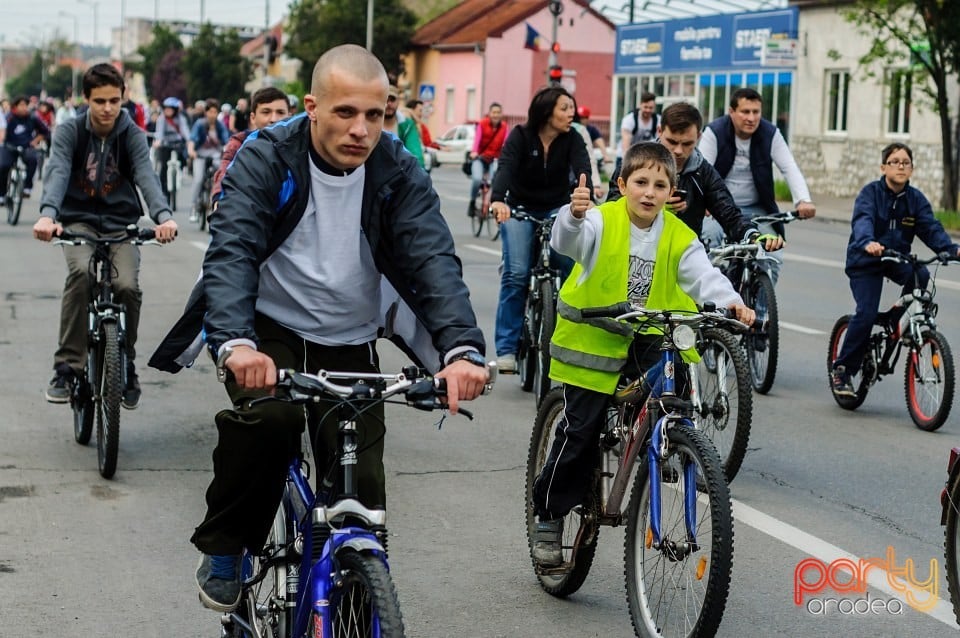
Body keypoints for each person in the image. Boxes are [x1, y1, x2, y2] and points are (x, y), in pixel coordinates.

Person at [147, 43, 489, 613]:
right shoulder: (267, 156)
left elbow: (432, 260)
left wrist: (460, 350)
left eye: (375, 115)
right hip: (268, 327)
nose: (361, 129)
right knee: (269, 421)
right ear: (311, 106)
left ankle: (359, 601)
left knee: (363, 480)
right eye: (345, 112)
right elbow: (232, 252)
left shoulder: (398, 170)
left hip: (350, 334)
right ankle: (228, 545)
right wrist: (235, 344)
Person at [529, 143, 754, 566]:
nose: (649, 193)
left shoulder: (678, 234)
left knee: (676, 382)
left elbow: (703, 275)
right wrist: (573, 215)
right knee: (579, 433)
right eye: (640, 183)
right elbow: (569, 243)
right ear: (622, 185)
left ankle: (665, 443)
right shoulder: (601, 219)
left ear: (671, 193)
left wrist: (731, 302)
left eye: (660, 185)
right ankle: (549, 512)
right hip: (593, 338)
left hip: (648, 335)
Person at [32, 63, 178, 407]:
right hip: (78, 222)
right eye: (100, 101)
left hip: (121, 224)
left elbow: (146, 176)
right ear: (87, 99)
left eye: (114, 100)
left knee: (127, 285)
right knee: (80, 274)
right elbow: (56, 173)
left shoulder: (132, 135)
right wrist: (47, 216)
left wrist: (164, 217)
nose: (108, 108)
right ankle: (67, 366)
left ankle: (125, 362)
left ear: (123, 98)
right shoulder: (69, 132)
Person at [829, 143, 960, 397]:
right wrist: (868, 242)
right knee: (866, 314)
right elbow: (862, 221)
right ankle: (843, 370)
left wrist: (951, 249)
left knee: (921, 275)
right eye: (895, 161)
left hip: (896, 258)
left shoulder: (915, 200)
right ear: (883, 167)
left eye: (906, 162)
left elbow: (930, 228)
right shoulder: (870, 194)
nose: (901, 166)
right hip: (865, 260)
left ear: (911, 169)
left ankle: (896, 320)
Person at [490, 85, 593, 373]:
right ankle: (507, 349)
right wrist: (498, 200)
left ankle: (566, 340)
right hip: (519, 208)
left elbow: (583, 169)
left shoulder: (572, 138)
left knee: (569, 267)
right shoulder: (520, 137)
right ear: (547, 112)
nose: (571, 113)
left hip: (557, 208)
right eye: (565, 108)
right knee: (516, 273)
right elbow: (506, 168)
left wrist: (588, 199)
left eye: (572, 108)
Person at [606, 102, 780, 251]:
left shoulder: (704, 172)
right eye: (672, 142)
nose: (679, 151)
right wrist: (655, 207)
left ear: (699, 136)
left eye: (688, 143)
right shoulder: (633, 164)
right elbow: (611, 210)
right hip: (635, 253)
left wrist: (752, 235)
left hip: (684, 259)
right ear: (660, 131)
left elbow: (729, 213)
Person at [699, 88, 816, 284]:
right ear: (732, 112)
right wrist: (704, 201)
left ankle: (762, 312)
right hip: (720, 209)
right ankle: (713, 300)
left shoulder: (770, 133)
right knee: (711, 247)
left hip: (757, 210)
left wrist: (803, 200)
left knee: (772, 255)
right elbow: (702, 169)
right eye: (745, 112)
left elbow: (789, 167)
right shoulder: (714, 132)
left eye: (756, 112)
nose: (751, 118)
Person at [210, 87, 290, 204]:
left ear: (290, 116)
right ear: (253, 118)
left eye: (280, 112)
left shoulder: (298, 145)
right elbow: (225, 170)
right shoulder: (240, 142)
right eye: (266, 112)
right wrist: (219, 200)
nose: (274, 119)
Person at [0, 96, 51, 201]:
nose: (24, 108)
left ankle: (27, 188)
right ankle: (2, 194)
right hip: (9, 146)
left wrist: (35, 141)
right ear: (15, 106)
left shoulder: (32, 117)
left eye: (25, 105)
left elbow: (45, 131)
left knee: (33, 159)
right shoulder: (8, 117)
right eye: (21, 105)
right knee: (3, 166)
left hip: (26, 146)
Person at [187, 98, 229, 222]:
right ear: (206, 112)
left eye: (215, 112)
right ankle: (194, 206)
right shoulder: (200, 124)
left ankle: (216, 205)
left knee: (219, 179)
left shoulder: (220, 126)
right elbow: (192, 140)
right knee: (199, 179)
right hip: (200, 155)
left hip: (216, 156)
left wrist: (226, 152)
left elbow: (226, 141)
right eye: (210, 112)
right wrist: (191, 151)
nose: (212, 115)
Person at [467, 102, 508, 216]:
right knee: (477, 179)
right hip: (480, 157)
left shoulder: (504, 127)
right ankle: (472, 202)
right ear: (489, 114)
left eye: (498, 112)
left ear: (501, 114)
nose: (496, 115)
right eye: (494, 112)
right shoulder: (482, 124)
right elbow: (477, 140)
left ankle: (493, 202)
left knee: (495, 177)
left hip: (494, 158)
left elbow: (506, 143)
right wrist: (474, 152)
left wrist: (506, 155)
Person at [152, 97, 191, 203]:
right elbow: (159, 132)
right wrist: (158, 141)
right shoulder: (162, 118)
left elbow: (185, 130)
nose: (168, 111)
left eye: (170, 108)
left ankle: (180, 173)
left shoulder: (180, 118)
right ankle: (164, 192)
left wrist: (189, 141)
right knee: (163, 168)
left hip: (178, 145)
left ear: (175, 110)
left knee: (183, 160)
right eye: (166, 108)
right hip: (165, 145)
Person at [616, 91, 657, 176]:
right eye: (646, 107)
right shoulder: (630, 119)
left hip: (646, 158)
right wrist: (626, 162)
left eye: (651, 108)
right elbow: (626, 141)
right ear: (640, 105)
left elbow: (660, 140)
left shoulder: (657, 120)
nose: (648, 110)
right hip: (627, 156)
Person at [382, 85, 424, 167]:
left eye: (392, 99)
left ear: (398, 101)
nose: (389, 104)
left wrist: (419, 175)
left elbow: (415, 153)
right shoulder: (369, 122)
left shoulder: (407, 125)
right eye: (385, 99)